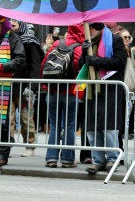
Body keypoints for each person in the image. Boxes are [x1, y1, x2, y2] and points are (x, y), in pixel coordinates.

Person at [80, 22, 127, 174]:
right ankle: (97, 160)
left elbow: (120, 62)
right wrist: (83, 53)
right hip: (92, 90)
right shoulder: (88, 42)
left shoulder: (115, 40)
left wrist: (97, 61)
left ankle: (113, 158)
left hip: (110, 89)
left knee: (109, 127)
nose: (87, 31)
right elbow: (84, 65)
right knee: (93, 128)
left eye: (90, 28)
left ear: (96, 28)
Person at [0, 13, 26, 166]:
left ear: (3, 25)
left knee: (1, 120)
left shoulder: (13, 38)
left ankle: (2, 154)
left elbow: (20, 60)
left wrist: (2, 67)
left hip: (3, 84)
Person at [42, 24, 85, 168]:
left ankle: (51, 158)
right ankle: (67, 159)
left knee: (54, 125)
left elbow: (44, 66)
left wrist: (45, 86)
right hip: (71, 92)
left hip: (53, 90)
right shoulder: (80, 47)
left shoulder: (56, 44)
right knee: (69, 125)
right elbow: (80, 70)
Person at [10, 19, 43, 157]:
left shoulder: (30, 42)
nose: (11, 28)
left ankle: (30, 145)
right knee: (9, 117)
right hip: (11, 84)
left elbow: (35, 65)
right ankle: (7, 146)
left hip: (25, 86)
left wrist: (32, 86)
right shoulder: (9, 39)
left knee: (26, 117)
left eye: (14, 25)